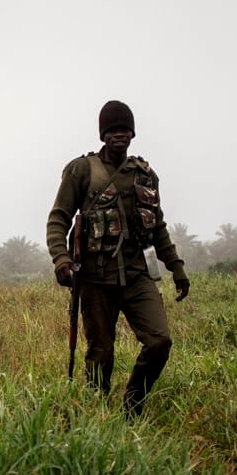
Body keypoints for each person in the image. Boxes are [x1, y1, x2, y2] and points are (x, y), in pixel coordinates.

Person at [46, 100, 189, 418]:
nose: (119, 135)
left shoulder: (144, 175)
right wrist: (61, 259)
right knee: (100, 353)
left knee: (159, 341)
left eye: (124, 129)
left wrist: (176, 267)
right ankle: (96, 415)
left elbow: (158, 226)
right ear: (103, 135)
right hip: (95, 278)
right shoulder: (82, 170)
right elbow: (58, 219)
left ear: (133, 133)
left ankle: (132, 407)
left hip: (137, 275)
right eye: (112, 130)